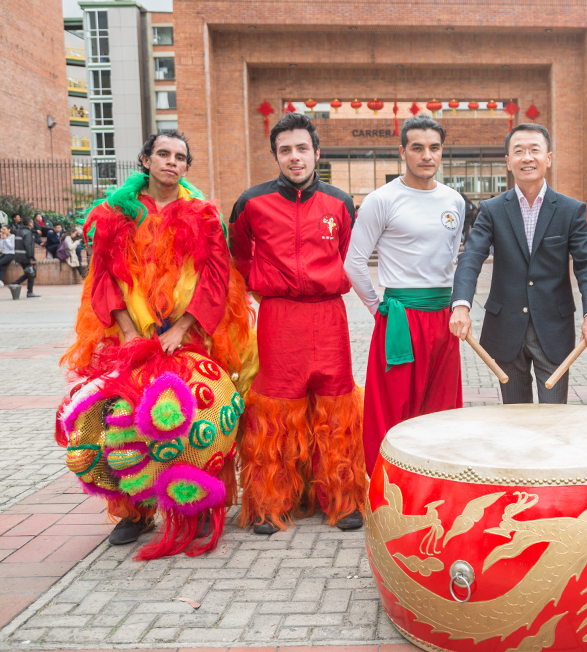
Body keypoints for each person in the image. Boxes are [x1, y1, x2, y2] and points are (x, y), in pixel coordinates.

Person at [59, 130, 257, 557]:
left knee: (191, 414)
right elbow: (102, 278)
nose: (172, 162)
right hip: (128, 334)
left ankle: (195, 504)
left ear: (186, 166)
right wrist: (130, 331)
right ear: (146, 160)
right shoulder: (115, 214)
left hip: (187, 335)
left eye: (180, 157)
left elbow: (216, 280)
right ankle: (135, 512)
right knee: (125, 420)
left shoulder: (204, 215)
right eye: (163, 154)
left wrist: (180, 329)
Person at [230, 113, 366, 535]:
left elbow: (351, 256)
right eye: (285, 150)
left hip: (329, 314)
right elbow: (239, 256)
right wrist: (264, 288)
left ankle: (342, 499)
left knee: (335, 404)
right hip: (279, 315)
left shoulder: (340, 203)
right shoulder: (251, 203)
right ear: (276, 155)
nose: (295, 157)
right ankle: (271, 502)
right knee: (276, 407)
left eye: (302, 148)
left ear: (316, 152)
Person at [345, 115, 466, 475]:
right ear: (402, 152)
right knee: (393, 407)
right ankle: (387, 485)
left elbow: (452, 258)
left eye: (434, 148)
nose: (427, 155)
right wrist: (377, 308)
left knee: (442, 407)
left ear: (442, 151)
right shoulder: (381, 200)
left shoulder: (454, 201)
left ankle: (438, 483)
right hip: (400, 317)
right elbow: (353, 263)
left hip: (443, 317)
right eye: (417, 148)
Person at [449, 123, 587, 403]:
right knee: (514, 416)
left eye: (535, 150)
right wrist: (461, 304)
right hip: (505, 328)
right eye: (519, 151)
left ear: (548, 158)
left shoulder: (570, 210)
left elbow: (586, 265)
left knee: (553, 416)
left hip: (554, 328)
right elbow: (471, 257)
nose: (527, 157)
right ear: (508, 162)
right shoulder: (491, 210)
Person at [7, 216, 40, 297]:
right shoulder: (27, 232)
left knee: (29, 272)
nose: (33, 223)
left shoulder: (18, 231)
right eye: (32, 222)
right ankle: (28, 291)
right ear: (30, 223)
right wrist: (31, 257)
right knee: (31, 272)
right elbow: (28, 246)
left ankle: (15, 284)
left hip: (19, 256)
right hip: (25, 256)